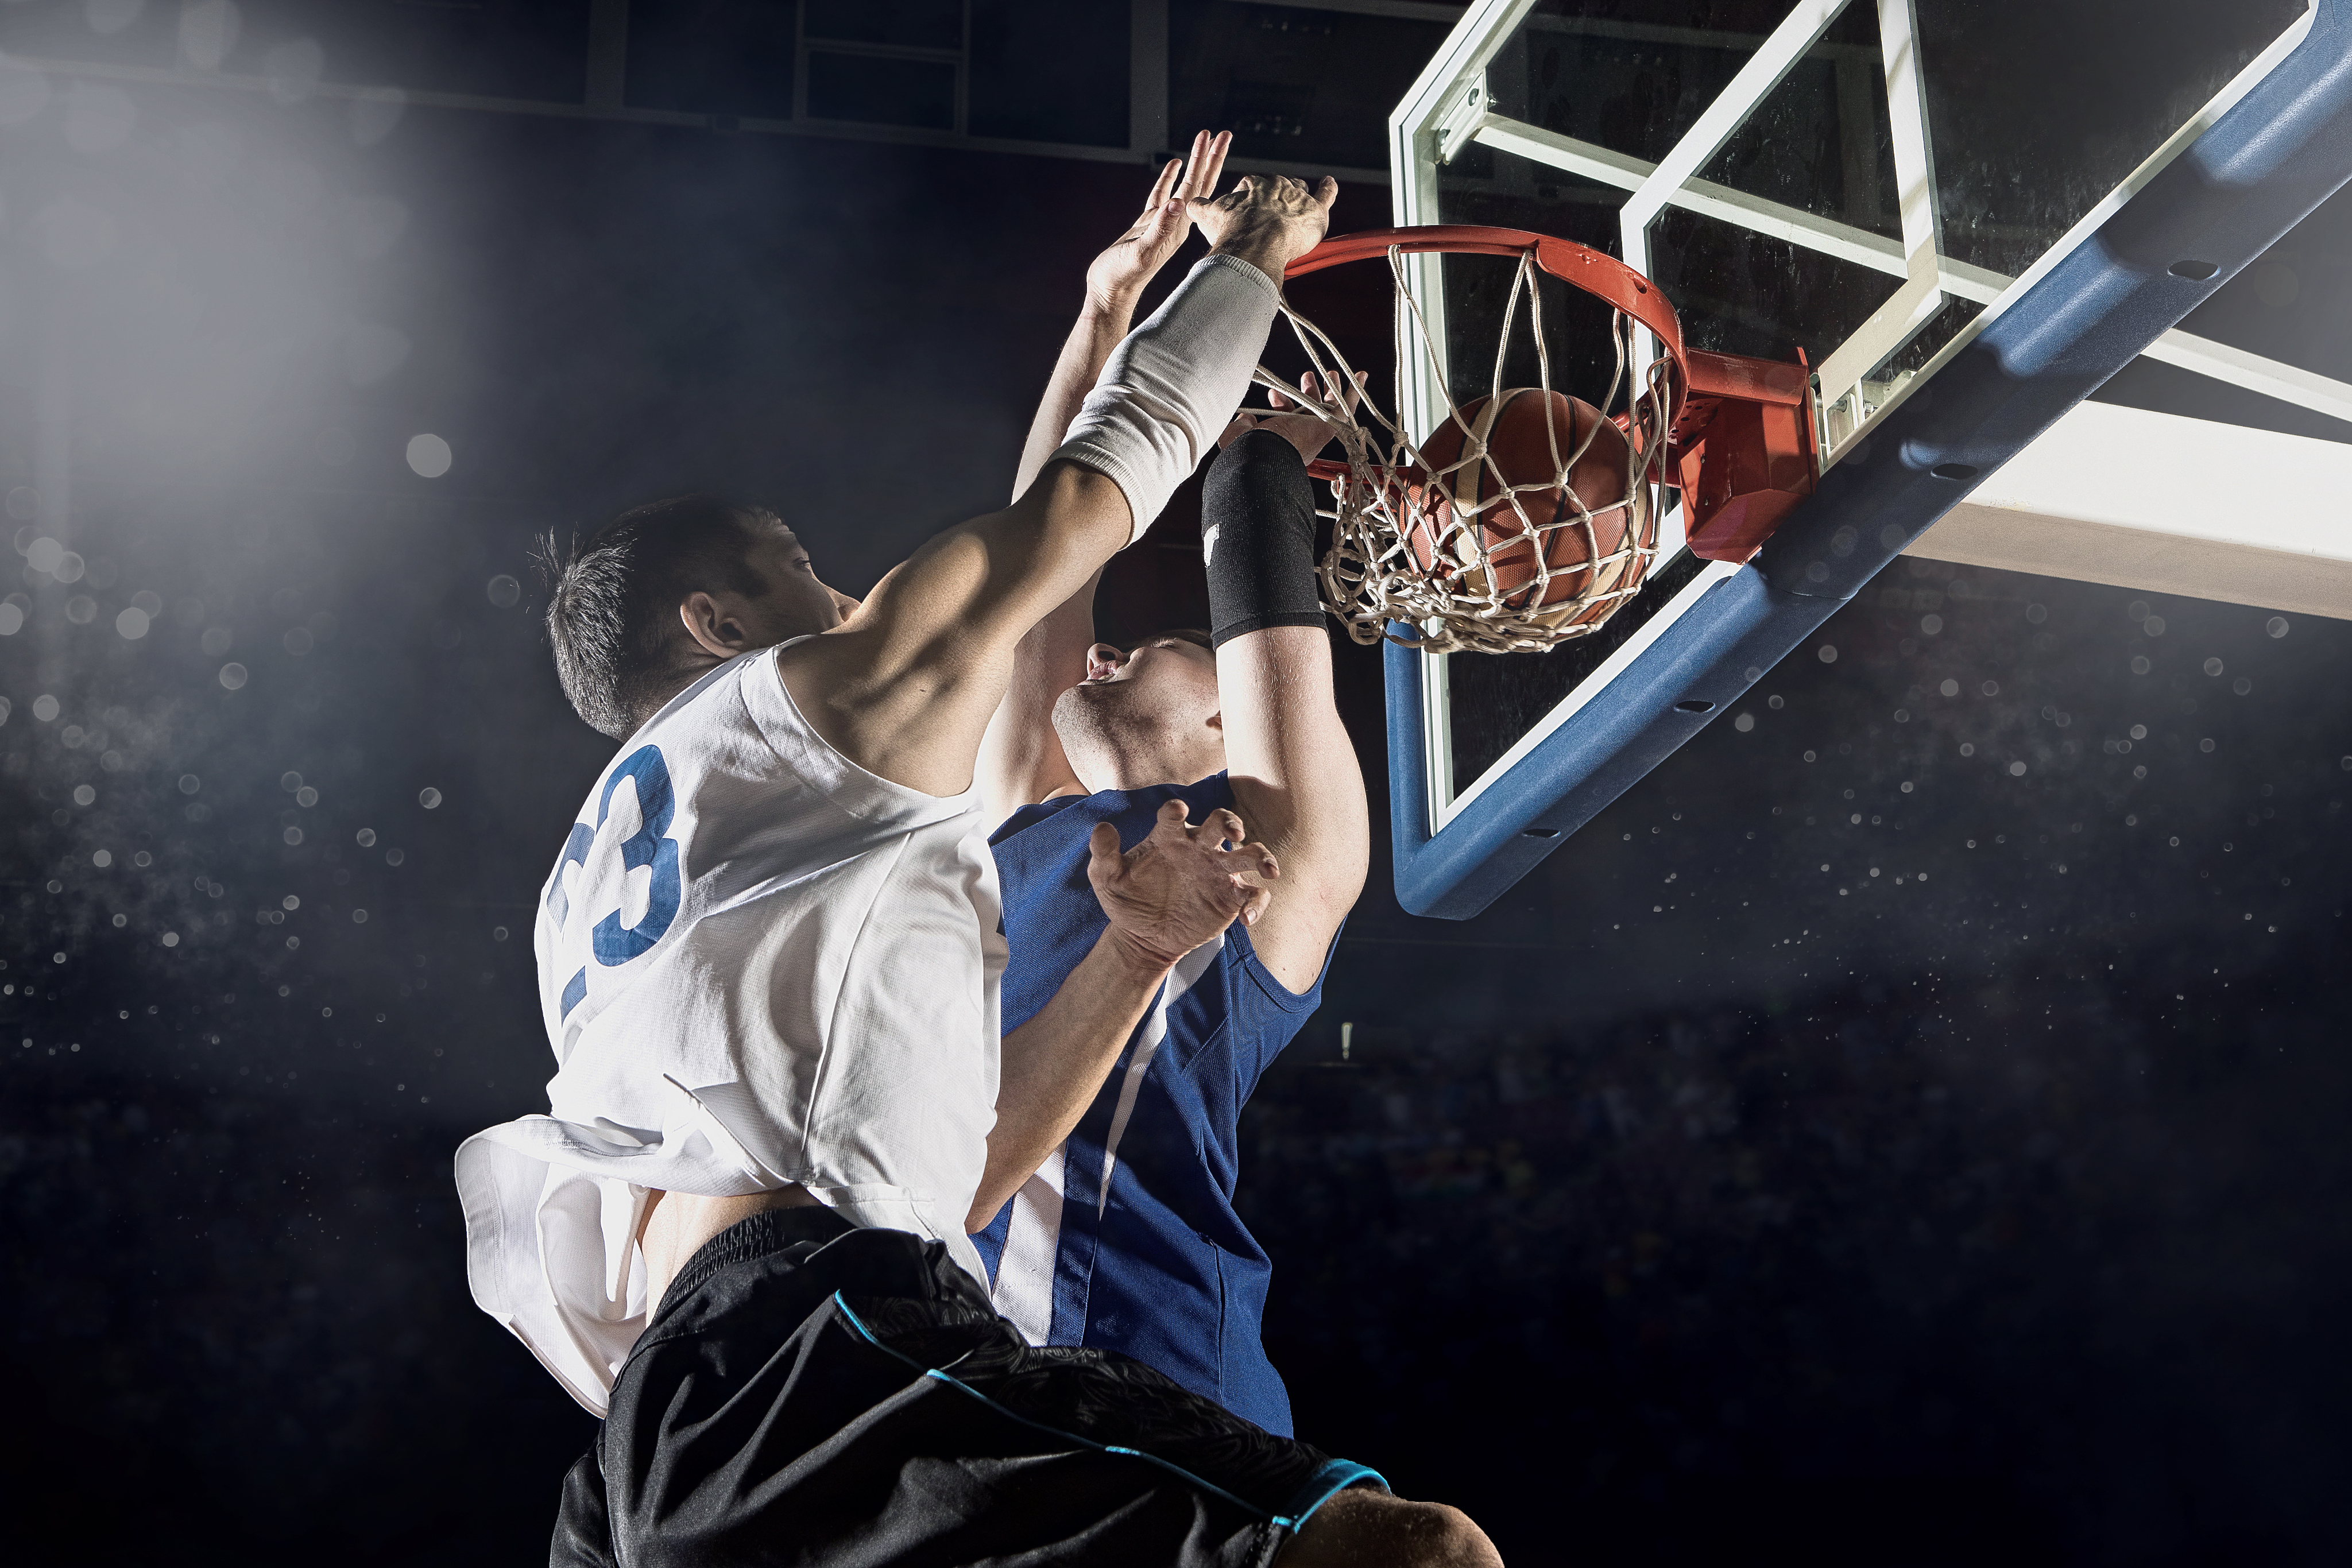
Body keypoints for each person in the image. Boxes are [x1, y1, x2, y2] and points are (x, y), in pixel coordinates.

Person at [456, 143, 1501, 1566]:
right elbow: (1070, 524)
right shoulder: (860, 742)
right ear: (711, 624)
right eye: (801, 576)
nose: (842, 595)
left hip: (712, 1413)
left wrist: (1116, 330)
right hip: (857, 1352)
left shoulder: (667, 873)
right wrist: (1254, 260)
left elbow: (957, 1167)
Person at [973, 154, 1371, 1439]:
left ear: (1225, 718)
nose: (1103, 645)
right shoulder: (1015, 821)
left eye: (1150, 646)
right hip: (956, 1400)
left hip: (1153, 1395)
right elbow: (1040, 553)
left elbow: (1245, 520)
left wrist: (1275, 456)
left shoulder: (1269, 864)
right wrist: (1104, 315)